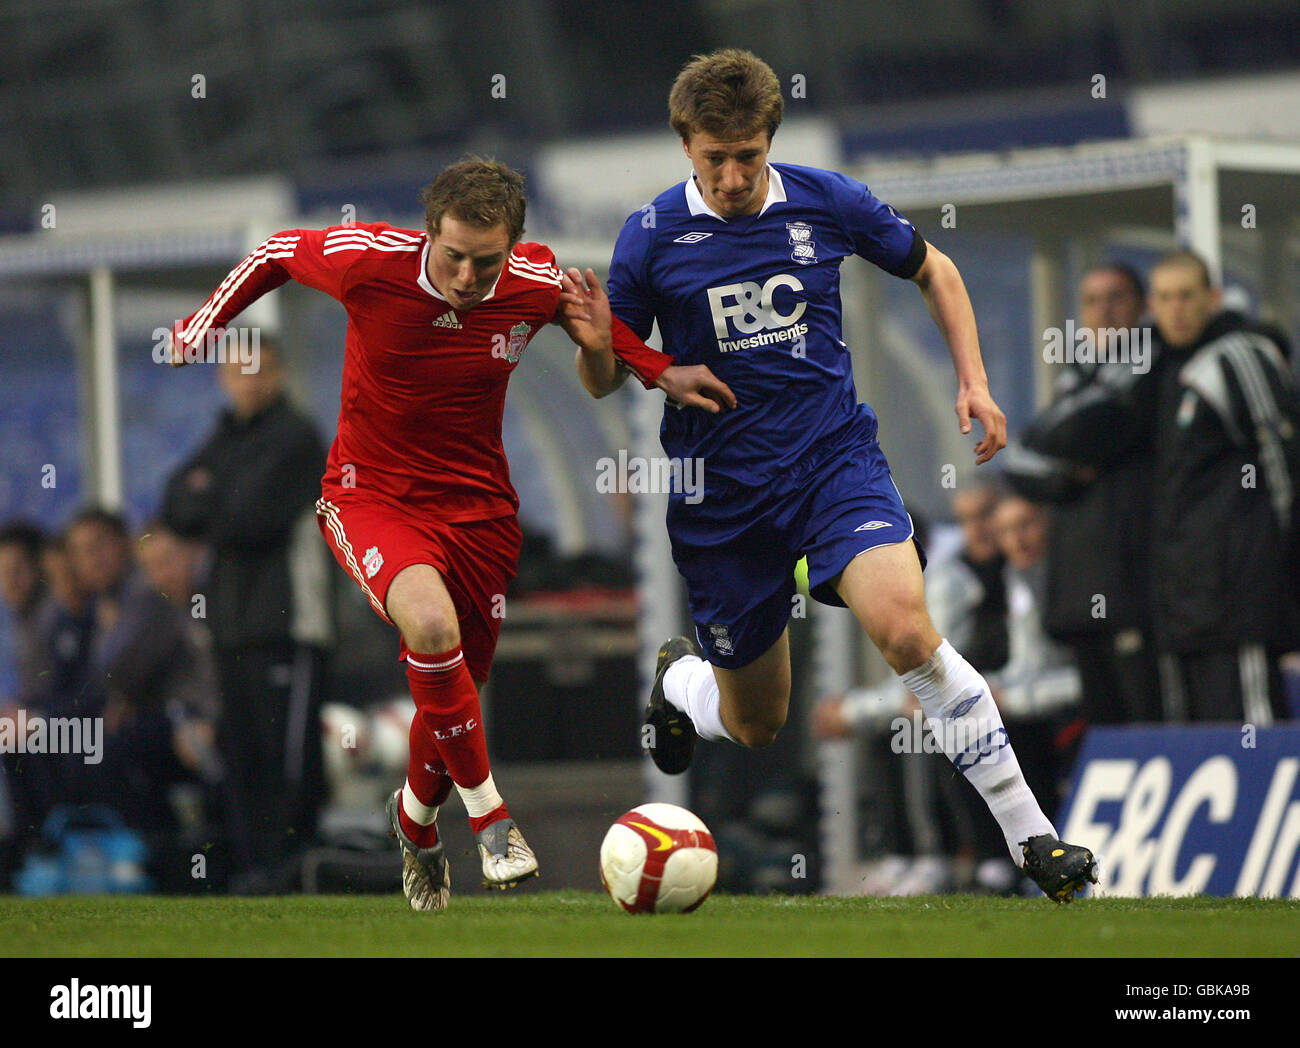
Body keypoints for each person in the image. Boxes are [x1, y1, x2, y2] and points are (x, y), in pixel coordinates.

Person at [571, 49, 1096, 901]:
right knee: (756, 723)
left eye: (751, 155)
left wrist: (974, 380)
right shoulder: (650, 236)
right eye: (717, 158)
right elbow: (604, 379)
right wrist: (597, 342)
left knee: (905, 630)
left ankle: (1037, 843)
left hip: (832, 465)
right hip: (723, 500)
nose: (736, 175)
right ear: (685, 145)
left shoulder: (825, 198)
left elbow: (937, 271)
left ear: (770, 140)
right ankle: (678, 680)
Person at [165, 157, 731, 911]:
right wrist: (204, 323)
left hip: (481, 514)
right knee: (431, 628)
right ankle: (492, 819)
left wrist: (654, 368)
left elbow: (602, 353)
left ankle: (414, 820)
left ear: (514, 246)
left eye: (485, 260)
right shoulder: (366, 259)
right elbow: (274, 252)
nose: (468, 276)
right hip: (371, 498)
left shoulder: (534, 281)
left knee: (454, 686)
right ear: (429, 233)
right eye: (453, 255)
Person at [161, 337, 332, 892]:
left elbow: (247, 517)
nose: (250, 383)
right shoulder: (224, 436)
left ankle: (293, 864)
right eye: (239, 372)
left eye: (260, 372)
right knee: (245, 753)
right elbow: (174, 505)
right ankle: (258, 867)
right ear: (224, 378)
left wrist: (212, 492)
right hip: (232, 625)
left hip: (288, 624)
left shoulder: (296, 437)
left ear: (279, 374)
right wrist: (217, 496)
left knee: (288, 753)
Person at [1142, 250, 1299, 722]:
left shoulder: (1239, 354)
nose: (1177, 309)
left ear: (1212, 297)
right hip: (1179, 597)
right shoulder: (1156, 370)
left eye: (1187, 296)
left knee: (1255, 731)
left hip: (1240, 593)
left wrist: (1278, 558)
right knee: (1190, 736)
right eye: (1165, 298)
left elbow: (1281, 459)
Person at [1002, 263, 1162, 725]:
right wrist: (1066, 479)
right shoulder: (1076, 377)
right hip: (1078, 590)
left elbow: (1090, 427)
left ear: (1141, 306)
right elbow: (1017, 462)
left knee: (1147, 726)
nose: (1103, 311)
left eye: (1116, 298)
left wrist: (1048, 448)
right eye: (1091, 301)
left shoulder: (1152, 362)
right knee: (1103, 731)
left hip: (1132, 588)